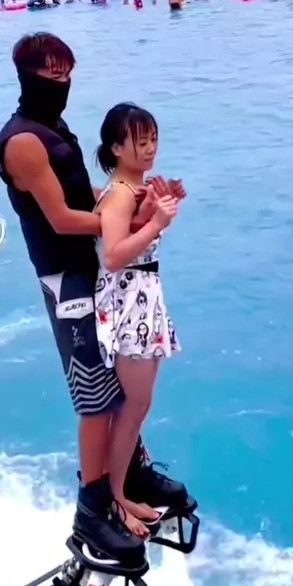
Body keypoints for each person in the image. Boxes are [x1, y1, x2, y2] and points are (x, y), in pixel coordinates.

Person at [0, 33, 187, 560]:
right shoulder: (23, 142)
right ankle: (93, 509)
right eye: (52, 75)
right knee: (95, 399)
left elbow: (87, 198)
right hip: (66, 279)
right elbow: (61, 218)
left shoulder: (57, 130)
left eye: (67, 75)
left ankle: (128, 477)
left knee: (118, 390)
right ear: (28, 76)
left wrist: (132, 198)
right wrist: (128, 214)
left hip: (94, 276)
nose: (62, 84)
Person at [94, 103, 182, 537]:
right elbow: (112, 256)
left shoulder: (135, 190)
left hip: (144, 301)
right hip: (129, 305)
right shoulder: (119, 193)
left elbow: (133, 237)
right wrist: (156, 222)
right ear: (116, 147)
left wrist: (154, 212)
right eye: (140, 141)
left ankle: (120, 490)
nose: (150, 149)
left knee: (137, 405)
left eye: (153, 140)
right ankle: (115, 497)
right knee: (133, 406)